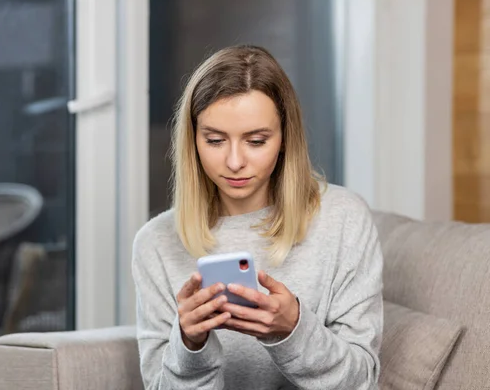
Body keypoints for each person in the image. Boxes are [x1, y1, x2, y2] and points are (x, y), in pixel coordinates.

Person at [131, 45, 383, 390]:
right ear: (193, 141)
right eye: (215, 140)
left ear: (283, 139)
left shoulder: (344, 220)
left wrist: (294, 329)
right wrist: (189, 345)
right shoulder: (155, 243)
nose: (235, 162)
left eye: (256, 140)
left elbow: (361, 381)